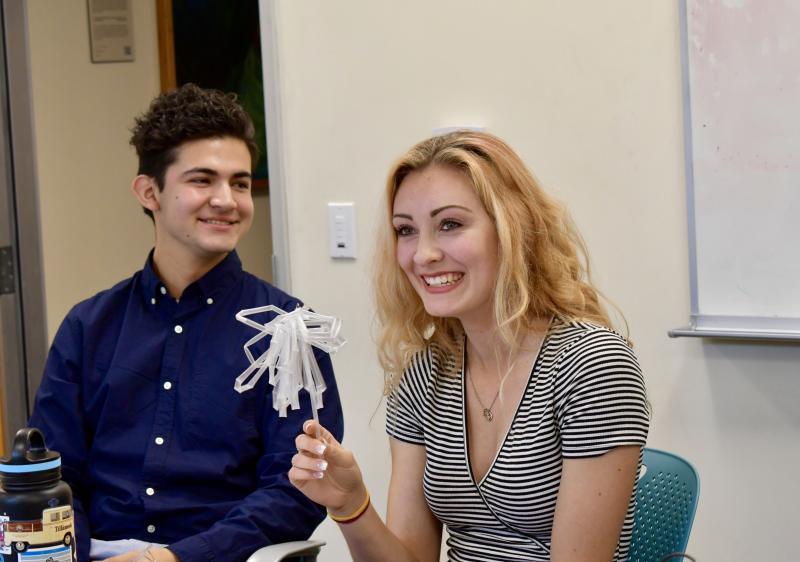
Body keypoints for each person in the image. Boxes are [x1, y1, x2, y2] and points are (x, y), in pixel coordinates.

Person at [290, 131, 649, 561]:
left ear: (512, 229)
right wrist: (350, 505)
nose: (422, 255)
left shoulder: (592, 364)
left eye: (450, 224)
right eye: (406, 230)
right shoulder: (423, 374)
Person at [29, 84, 344, 562]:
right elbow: (54, 476)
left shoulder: (288, 331)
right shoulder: (87, 327)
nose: (227, 200)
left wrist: (177, 558)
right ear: (149, 191)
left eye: (239, 183)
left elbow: (296, 491)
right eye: (203, 180)